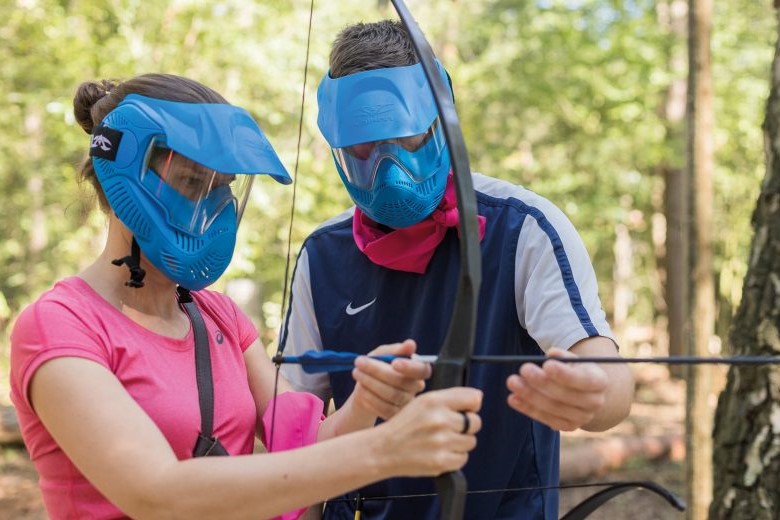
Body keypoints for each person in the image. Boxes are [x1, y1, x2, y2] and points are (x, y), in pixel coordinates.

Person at [8, 73, 483, 520]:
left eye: (224, 188)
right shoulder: (60, 325)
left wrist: (366, 403)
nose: (214, 206)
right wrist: (381, 452)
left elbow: (302, 443)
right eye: (192, 183)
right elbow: (156, 492)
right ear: (125, 178)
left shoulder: (218, 315)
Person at [279, 20, 635, 519]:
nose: (388, 168)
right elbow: (293, 431)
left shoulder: (523, 228)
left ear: (443, 125)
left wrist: (593, 391)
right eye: (363, 149)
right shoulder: (322, 255)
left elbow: (605, 375)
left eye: (405, 139)